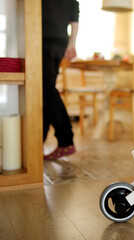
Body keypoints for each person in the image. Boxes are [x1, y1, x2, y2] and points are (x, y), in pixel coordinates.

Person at [42, 0, 79, 160]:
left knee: (47, 90)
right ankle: (39, 141)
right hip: (61, 43)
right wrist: (71, 45)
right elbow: (75, 22)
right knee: (45, 92)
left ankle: (66, 140)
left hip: (43, 40)